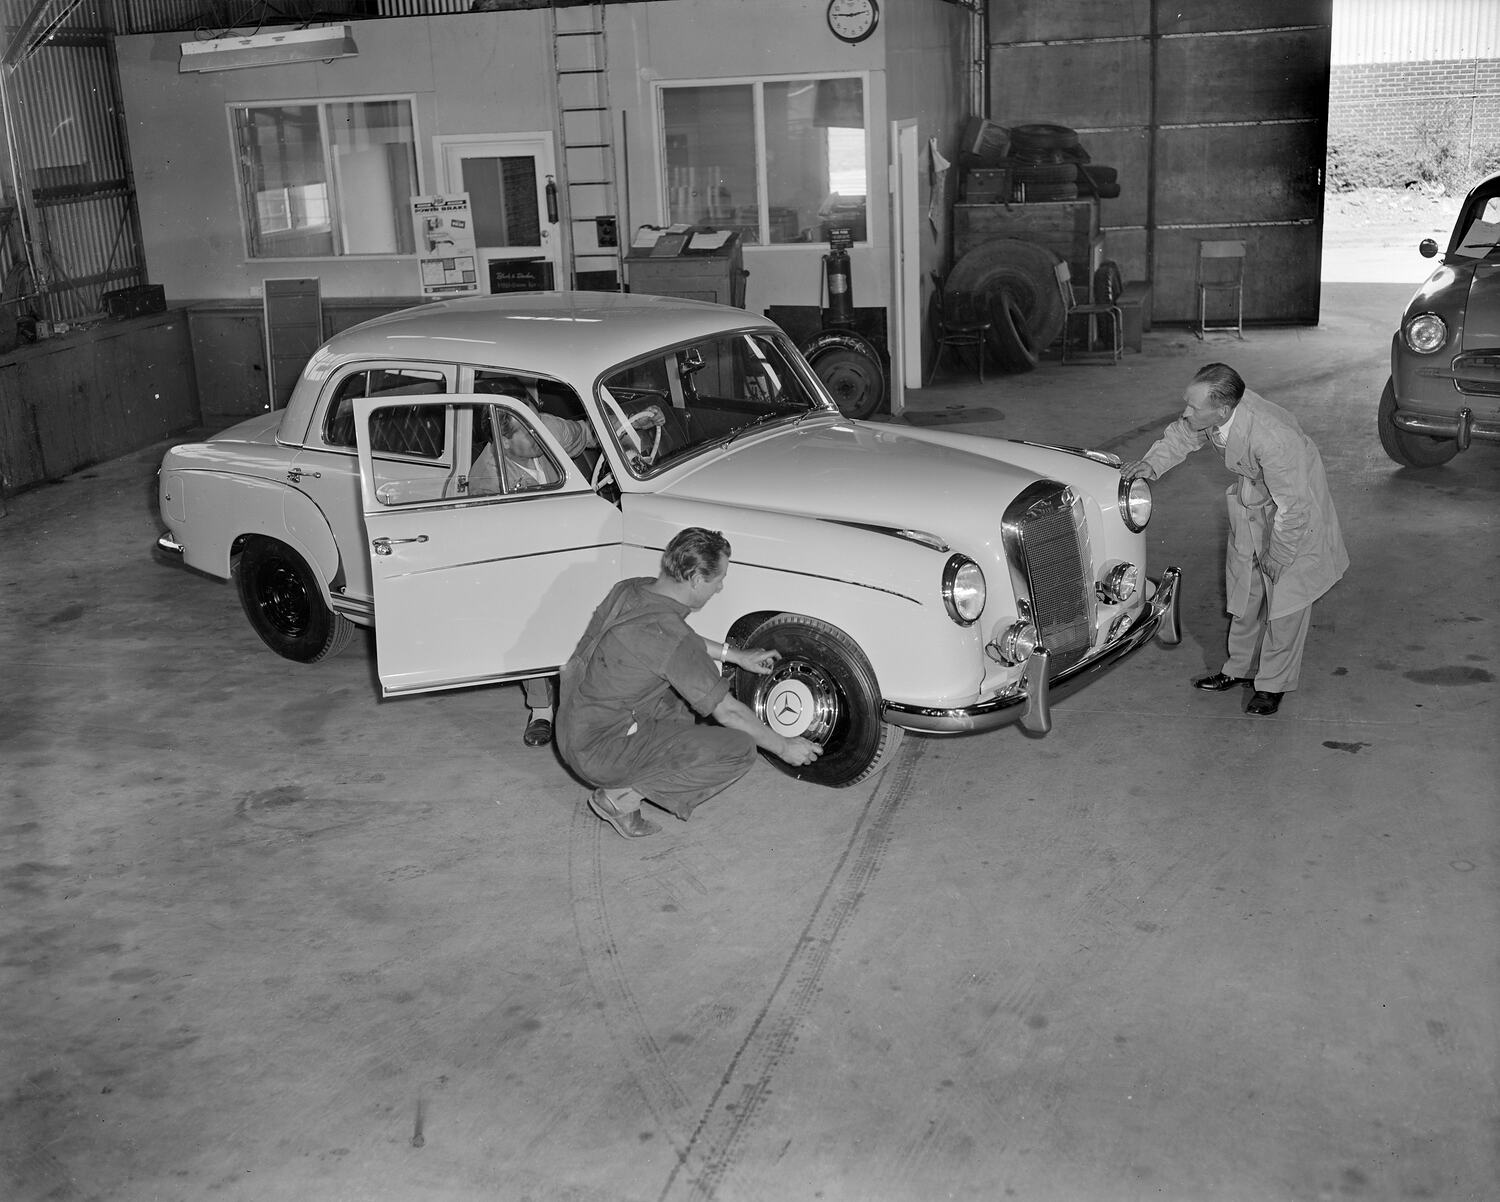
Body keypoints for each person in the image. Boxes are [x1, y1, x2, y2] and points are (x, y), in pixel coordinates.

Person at [556, 527, 823, 838]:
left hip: (572, 726)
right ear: (696, 580)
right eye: (718, 579)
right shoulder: (672, 639)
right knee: (739, 747)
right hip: (598, 754)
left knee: (680, 699)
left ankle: (635, 765)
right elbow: (729, 713)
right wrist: (784, 746)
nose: (720, 587)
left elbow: (677, 640)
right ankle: (621, 796)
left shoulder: (632, 590)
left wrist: (734, 656)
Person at [1121, 363, 1348, 716]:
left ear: (1224, 410)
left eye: (1194, 407)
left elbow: (1295, 506)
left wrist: (1280, 553)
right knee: (1246, 588)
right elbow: (1183, 434)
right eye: (1188, 402)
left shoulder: (1273, 438)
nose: (1186, 411)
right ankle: (1238, 669)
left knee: (1286, 600)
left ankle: (1273, 685)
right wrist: (1153, 464)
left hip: (1294, 510)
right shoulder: (1216, 414)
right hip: (1256, 496)